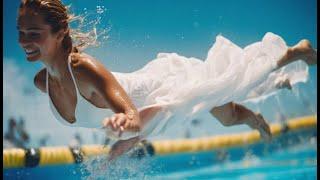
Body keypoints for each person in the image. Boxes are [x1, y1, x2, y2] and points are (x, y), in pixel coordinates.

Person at [17, 0, 317, 160]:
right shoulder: (41, 82)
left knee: (230, 85)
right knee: (226, 113)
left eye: (34, 33)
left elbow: (132, 115)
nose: (24, 40)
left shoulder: (83, 68)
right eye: (20, 32)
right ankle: (264, 105)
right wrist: (124, 140)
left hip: (162, 88)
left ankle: (292, 54)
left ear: (59, 34)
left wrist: (125, 128)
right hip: (150, 107)